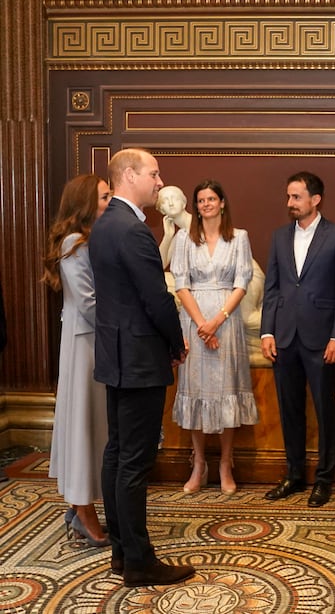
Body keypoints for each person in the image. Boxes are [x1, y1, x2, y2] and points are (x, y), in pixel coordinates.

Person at [89, 148, 195, 587]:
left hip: (116, 357)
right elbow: (156, 299)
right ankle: (138, 561)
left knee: (116, 455)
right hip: (139, 358)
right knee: (133, 461)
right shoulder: (132, 230)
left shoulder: (102, 225)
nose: (159, 181)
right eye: (153, 173)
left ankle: (121, 551)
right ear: (129, 175)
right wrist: (177, 342)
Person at [260, 171, 335, 508]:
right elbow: (272, 289)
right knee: (290, 410)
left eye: (296, 197)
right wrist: (267, 331)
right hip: (285, 338)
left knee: (325, 410)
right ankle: (294, 474)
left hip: (322, 339)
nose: (290, 203)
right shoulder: (279, 237)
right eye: (288, 197)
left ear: (315, 199)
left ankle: (324, 479)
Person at [170, 180, 258, 496]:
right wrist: (200, 325)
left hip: (227, 320)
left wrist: (217, 320)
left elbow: (242, 282)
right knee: (196, 391)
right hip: (193, 320)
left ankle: (225, 463)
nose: (206, 204)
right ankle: (199, 464)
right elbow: (181, 283)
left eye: (211, 199)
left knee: (225, 391)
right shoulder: (183, 238)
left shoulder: (239, 238)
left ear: (222, 203)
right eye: (201, 200)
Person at [43, 173, 112, 546]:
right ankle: (83, 512)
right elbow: (88, 304)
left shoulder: (91, 240)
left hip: (92, 342)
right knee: (83, 426)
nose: (108, 201)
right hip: (85, 343)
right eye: (103, 196)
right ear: (85, 202)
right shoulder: (74, 243)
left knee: (93, 426)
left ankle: (81, 507)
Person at [156, 185, 193, 270]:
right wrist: (168, 236)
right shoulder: (180, 236)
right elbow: (160, 265)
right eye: (165, 201)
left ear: (184, 203)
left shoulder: (202, 225)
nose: (171, 203)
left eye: (175, 198)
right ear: (162, 210)